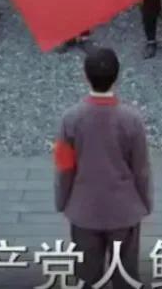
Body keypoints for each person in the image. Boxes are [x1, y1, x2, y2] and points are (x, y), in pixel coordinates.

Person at [54, 47, 151, 289]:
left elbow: (64, 167)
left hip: (84, 209)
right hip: (124, 211)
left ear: (85, 76)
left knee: (87, 276)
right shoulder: (131, 120)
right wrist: (145, 201)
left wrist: (62, 200)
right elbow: (141, 168)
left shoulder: (70, 119)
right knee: (126, 276)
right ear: (117, 76)